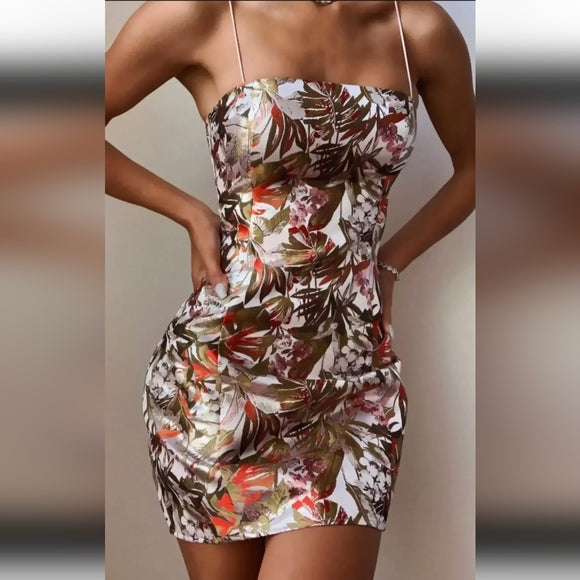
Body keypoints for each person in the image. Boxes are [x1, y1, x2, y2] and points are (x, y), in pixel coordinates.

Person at [105, 1, 474, 579]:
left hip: (351, 390)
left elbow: (480, 165)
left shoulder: (417, 29)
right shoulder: (204, 13)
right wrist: (189, 213)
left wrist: (390, 262)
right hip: (219, 384)